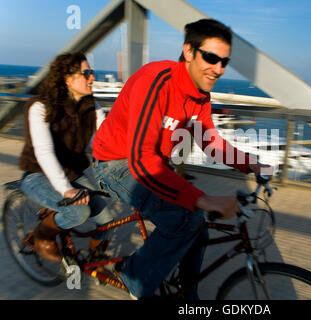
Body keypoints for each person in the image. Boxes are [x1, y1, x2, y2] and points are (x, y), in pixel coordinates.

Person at [92, 18, 273, 299]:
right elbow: (140, 160)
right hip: (115, 164)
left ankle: (186, 295)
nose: (218, 69)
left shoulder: (201, 96)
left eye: (224, 62)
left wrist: (250, 163)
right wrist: (204, 198)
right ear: (188, 51)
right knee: (184, 218)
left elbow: (209, 141)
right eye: (211, 58)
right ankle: (133, 275)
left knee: (196, 221)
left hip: (151, 165)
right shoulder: (156, 80)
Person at [19, 52, 114, 262]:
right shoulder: (40, 107)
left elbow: (110, 136)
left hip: (72, 173)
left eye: (92, 72)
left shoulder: (92, 106)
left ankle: (94, 260)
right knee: (77, 213)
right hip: (38, 174)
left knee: (107, 220)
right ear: (67, 79)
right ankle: (42, 236)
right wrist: (66, 189)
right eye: (86, 73)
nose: (92, 78)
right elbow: (44, 152)